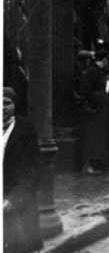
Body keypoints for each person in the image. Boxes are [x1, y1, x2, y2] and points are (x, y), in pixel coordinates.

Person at [3, 87, 42, 253]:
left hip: (18, 196)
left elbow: (31, 168)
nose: (2, 108)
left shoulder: (25, 130)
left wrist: (14, 198)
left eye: (7, 103)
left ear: (15, 105)